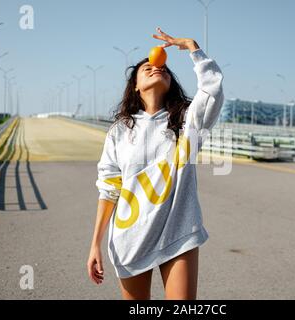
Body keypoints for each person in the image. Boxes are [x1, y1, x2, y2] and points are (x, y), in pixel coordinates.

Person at [87, 27, 224, 300]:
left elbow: (212, 90)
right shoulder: (119, 131)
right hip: (130, 236)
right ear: (135, 86)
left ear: (171, 82)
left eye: (162, 68)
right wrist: (95, 245)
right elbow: (109, 188)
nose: (155, 67)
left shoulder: (187, 122)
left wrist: (194, 49)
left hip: (179, 231)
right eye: (145, 68)